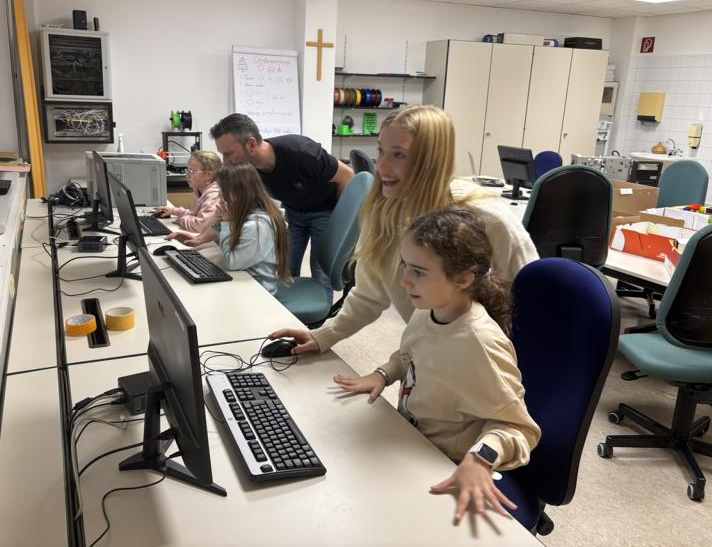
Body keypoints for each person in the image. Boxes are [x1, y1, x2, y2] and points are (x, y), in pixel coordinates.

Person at [269, 105, 538, 354]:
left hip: (487, 361)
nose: (382, 166)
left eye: (398, 155)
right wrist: (322, 336)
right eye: (381, 151)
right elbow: (368, 295)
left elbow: (532, 306)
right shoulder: (383, 213)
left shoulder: (488, 219)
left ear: (432, 160)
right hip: (429, 356)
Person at [333, 206, 540, 523]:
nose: (404, 280)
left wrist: (480, 459)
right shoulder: (428, 310)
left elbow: (519, 428)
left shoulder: (480, 344)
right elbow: (411, 355)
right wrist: (383, 374)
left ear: (463, 279)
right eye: (405, 265)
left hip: (447, 462)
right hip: (411, 441)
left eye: (418, 271)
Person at [210, 113, 354, 301]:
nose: (225, 161)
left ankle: (320, 317)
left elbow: (347, 176)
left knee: (321, 273)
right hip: (294, 211)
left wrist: (341, 227)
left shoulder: (302, 153)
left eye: (228, 153)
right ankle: (289, 314)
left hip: (324, 210)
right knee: (286, 270)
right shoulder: (250, 170)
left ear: (251, 144)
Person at [171, 163, 290, 295]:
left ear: (237, 194)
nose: (220, 199)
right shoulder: (245, 212)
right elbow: (221, 233)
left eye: (222, 193)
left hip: (258, 290)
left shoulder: (257, 226)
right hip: (243, 280)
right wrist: (199, 238)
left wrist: (227, 223)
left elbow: (232, 263)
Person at [158, 150, 222, 234]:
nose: (187, 175)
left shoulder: (214, 195)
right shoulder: (200, 190)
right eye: (187, 170)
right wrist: (174, 211)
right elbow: (194, 214)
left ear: (208, 175)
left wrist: (181, 219)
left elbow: (201, 225)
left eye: (191, 171)